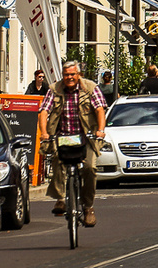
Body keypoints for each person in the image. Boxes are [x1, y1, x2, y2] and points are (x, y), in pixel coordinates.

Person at [41, 61, 105, 228]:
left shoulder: (90, 88)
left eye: (72, 74)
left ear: (78, 75)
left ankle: (88, 207)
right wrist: (45, 133)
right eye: (66, 75)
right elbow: (44, 111)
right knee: (56, 161)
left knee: (90, 168)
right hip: (62, 137)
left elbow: (99, 109)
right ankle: (61, 199)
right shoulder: (54, 89)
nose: (69, 78)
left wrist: (100, 130)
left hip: (86, 137)